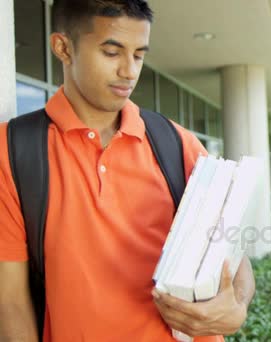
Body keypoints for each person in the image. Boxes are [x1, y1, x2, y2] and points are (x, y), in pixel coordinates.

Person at [0, 1, 255, 341]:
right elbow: (11, 304)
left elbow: (233, 253)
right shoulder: (13, 151)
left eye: (138, 55)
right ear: (63, 48)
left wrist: (236, 306)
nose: (129, 71)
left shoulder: (178, 145)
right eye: (111, 52)